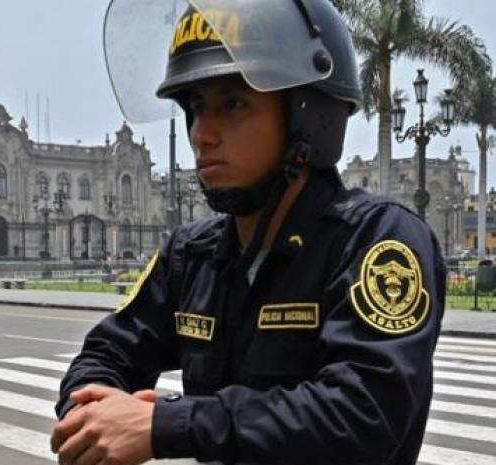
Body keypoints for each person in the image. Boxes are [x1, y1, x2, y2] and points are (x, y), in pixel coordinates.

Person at [52, 1, 444, 465]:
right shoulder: (192, 254)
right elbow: (109, 348)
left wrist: (171, 424)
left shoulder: (376, 241)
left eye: (232, 104)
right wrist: (90, 409)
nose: (202, 134)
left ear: (307, 115)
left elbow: (363, 413)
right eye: (196, 109)